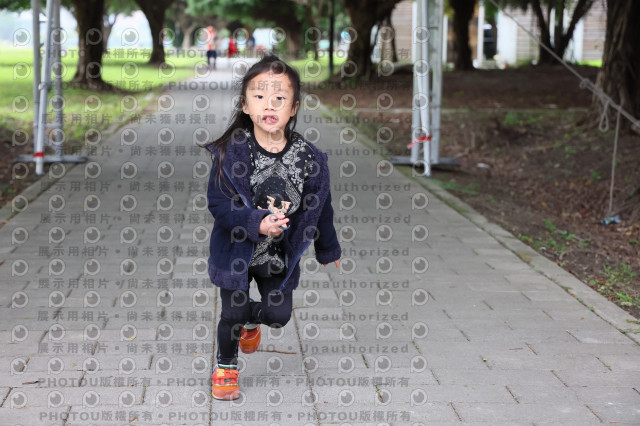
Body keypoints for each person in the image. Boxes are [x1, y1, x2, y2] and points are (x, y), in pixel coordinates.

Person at [202, 54, 341, 400]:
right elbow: (219, 204)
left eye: (280, 98)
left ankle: (252, 322)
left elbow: (320, 205)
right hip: (235, 249)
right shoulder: (231, 153)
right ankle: (226, 366)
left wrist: (327, 248)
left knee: (279, 315)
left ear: (293, 108)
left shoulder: (309, 158)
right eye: (259, 96)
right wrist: (256, 222)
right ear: (245, 105)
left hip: (277, 254)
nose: (269, 105)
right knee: (232, 312)